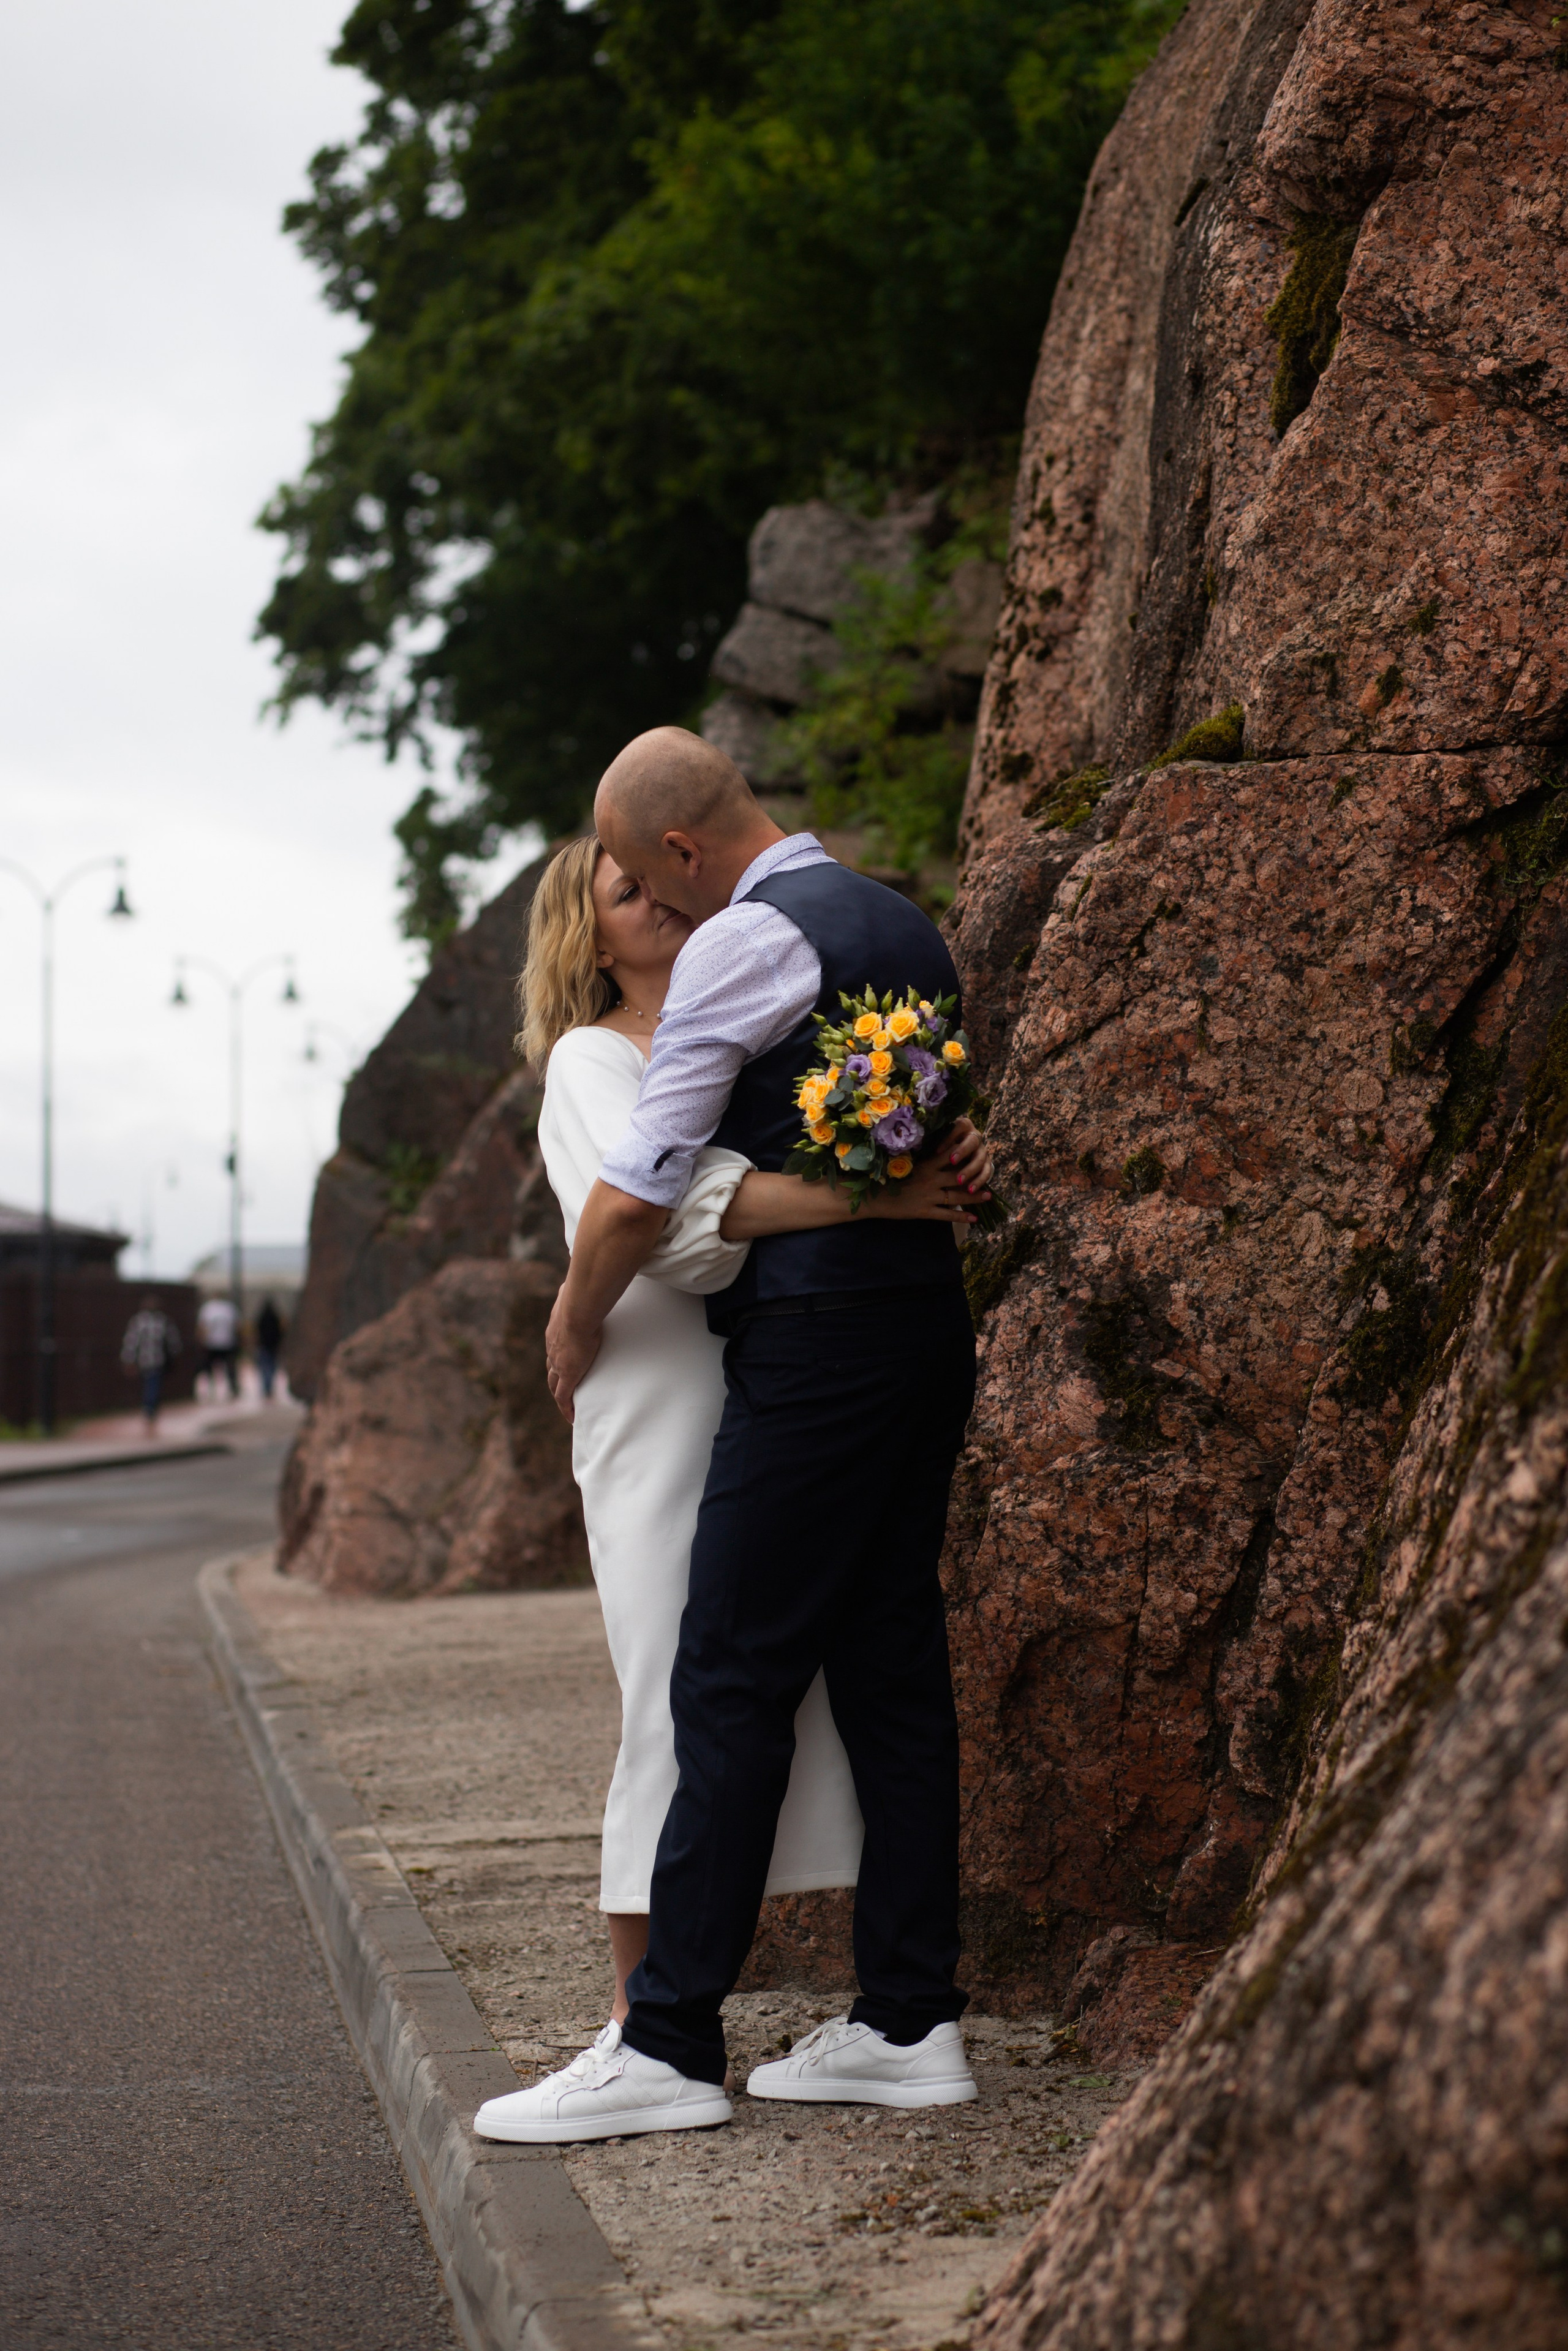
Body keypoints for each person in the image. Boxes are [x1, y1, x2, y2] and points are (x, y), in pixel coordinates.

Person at [475, 731, 989, 2147]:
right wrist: (911, 1194)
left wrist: (572, 1313)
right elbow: (911, 1134)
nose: (651, 899)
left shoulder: (736, 945)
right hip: (921, 1334)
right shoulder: (902, 924)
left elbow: (644, 1196)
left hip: (814, 1350)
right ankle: (903, 2017)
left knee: (728, 1674)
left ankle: (669, 2038)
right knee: (891, 1666)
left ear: (683, 854)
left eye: (646, 873)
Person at [120, 1296, 181, 1437]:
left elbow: (173, 1342)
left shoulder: (161, 1322)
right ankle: (150, 1408)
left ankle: (150, 1408)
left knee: (152, 1384)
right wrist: (129, 1359)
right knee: (152, 1384)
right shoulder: (142, 1322)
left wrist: (129, 1359)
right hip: (148, 1360)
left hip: (156, 1360)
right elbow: (131, 1342)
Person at [195, 1293, 239, 1399]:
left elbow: (201, 1326)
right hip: (224, 1342)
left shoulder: (208, 1308)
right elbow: (237, 1325)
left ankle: (214, 1389)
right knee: (228, 1367)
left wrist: (201, 1339)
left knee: (213, 1367)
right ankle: (231, 1389)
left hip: (215, 1342)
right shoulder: (229, 1308)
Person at [254, 1298, 284, 1400]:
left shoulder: (261, 1318)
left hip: (263, 1346)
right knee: (271, 1367)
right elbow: (280, 1333)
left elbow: (257, 1332)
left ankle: (267, 1388)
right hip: (273, 1346)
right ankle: (269, 1387)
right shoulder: (275, 1318)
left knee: (264, 1368)